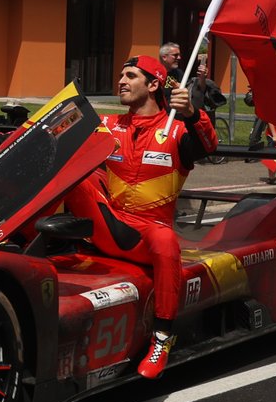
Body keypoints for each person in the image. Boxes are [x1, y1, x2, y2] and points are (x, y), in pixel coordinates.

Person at [63, 54, 217, 379]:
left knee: (166, 240)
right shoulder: (108, 125)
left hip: (146, 240)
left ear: (153, 84)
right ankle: (12, 241)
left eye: (131, 75)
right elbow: (54, 134)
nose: (121, 81)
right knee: (71, 175)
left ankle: (162, 338)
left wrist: (193, 114)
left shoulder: (177, 132)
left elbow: (207, 147)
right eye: (121, 75)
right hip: (106, 226)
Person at [189, 58, 226, 125]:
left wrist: (202, 78)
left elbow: (201, 88)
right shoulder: (185, 81)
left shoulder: (209, 84)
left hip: (202, 123)